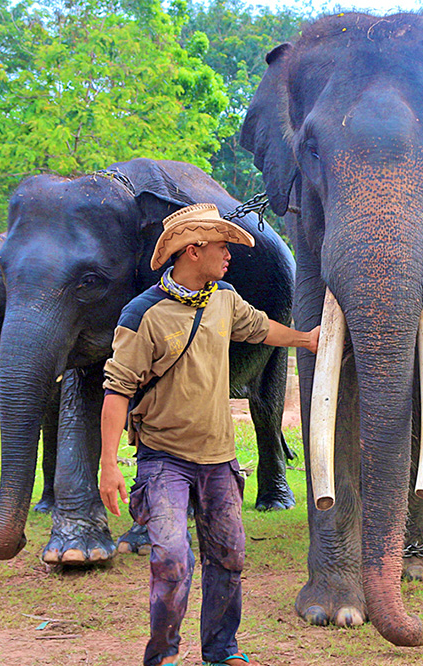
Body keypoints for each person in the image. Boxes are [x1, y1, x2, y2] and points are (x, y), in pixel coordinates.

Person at [98, 203, 319, 666]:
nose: (229, 255)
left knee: (229, 556)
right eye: (222, 245)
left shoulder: (224, 298)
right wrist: (108, 467)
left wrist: (306, 339)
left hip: (219, 460)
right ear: (192, 250)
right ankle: (162, 656)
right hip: (164, 461)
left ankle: (221, 651)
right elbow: (117, 392)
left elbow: (259, 329)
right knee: (172, 559)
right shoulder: (144, 315)